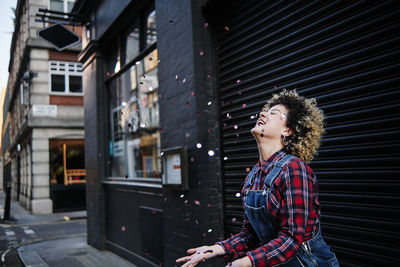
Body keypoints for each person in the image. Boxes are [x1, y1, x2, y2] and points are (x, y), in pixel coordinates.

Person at [176, 89, 339, 266]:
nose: (262, 113)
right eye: (265, 111)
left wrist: (241, 263)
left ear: (288, 130)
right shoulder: (254, 176)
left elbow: (291, 239)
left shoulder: (294, 169)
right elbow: (250, 235)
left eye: (273, 113)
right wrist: (212, 250)